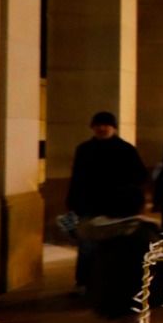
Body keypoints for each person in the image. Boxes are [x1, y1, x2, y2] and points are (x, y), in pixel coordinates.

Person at [66, 111, 148, 290]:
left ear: (114, 127)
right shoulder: (84, 149)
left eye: (106, 125)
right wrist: (73, 204)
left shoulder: (126, 150)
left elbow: (140, 177)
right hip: (91, 205)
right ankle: (85, 282)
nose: (102, 128)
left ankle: (111, 282)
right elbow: (77, 178)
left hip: (119, 207)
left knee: (115, 247)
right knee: (88, 246)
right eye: (98, 125)